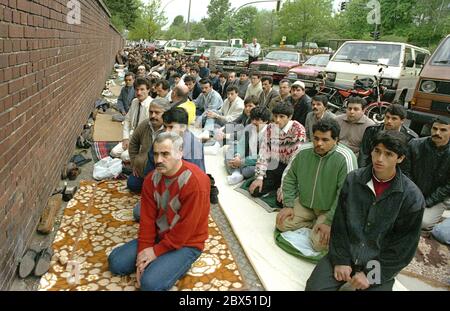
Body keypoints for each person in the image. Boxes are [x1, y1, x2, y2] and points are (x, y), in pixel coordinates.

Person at [306, 131, 425, 291]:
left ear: (400, 158)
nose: (379, 159)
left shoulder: (412, 198)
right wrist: (341, 259)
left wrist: (370, 275)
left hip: (378, 263)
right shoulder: (353, 180)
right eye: (377, 151)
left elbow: (403, 248)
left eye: (388, 154)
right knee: (314, 289)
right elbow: (339, 225)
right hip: (346, 253)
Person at [108, 132, 210, 291]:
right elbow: (147, 220)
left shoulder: (196, 182)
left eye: (165, 154)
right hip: (159, 235)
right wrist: (144, 252)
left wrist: (156, 252)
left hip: (187, 243)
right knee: (116, 262)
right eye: (155, 154)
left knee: (150, 285)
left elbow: (186, 229)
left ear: (180, 153)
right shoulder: (151, 179)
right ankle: (163, 263)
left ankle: (179, 262)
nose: (158, 160)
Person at [276, 119, 357, 252]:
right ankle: (313, 223)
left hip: (329, 210)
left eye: (325, 140)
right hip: (305, 203)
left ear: (336, 140)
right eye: (316, 138)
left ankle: (318, 223)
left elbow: (346, 195)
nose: (319, 143)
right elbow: (289, 177)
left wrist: (329, 222)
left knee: (320, 244)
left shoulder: (345, 157)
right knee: (281, 223)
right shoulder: (303, 151)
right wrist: (289, 205)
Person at [249, 103, 306, 199]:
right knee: (255, 191)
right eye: (275, 116)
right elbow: (263, 153)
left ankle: (280, 186)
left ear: (290, 116)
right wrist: (259, 177)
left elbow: (294, 163)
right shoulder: (270, 128)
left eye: (282, 116)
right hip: (275, 164)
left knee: (282, 201)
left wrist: (284, 186)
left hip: (292, 169)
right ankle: (275, 185)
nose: (277, 120)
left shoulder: (298, 131)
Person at [404, 117, 450, 232]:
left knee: (423, 222)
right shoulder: (415, 145)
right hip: (413, 190)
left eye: (443, 130)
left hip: (438, 196)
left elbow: (448, 186)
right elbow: (405, 172)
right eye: (434, 129)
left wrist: (427, 201)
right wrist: (415, 196)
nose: (437, 133)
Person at [127, 98, 169, 192]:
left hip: (162, 171)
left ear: (166, 114)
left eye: (157, 113)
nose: (153, 116)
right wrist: (134, 163)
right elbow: (133, 143)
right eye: (151, 112)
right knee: (132, 184)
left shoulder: (169, 129)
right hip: (143, 168)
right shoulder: (145, 124)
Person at [225, 107, 271, 184]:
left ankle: (238, 172)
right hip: (246, 155)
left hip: (258, 161)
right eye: (252, 119)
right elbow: (241, 144)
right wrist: (237, 156)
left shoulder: (269, 133)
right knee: (231, 149)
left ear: (266, 121)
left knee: (248, 171)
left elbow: (263, 157)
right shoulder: (249, 127)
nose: (253, 122)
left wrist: (242, 162)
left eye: (257, 120)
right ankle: (236, 173)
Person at [111, 77, 153, 161]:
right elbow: (127, 120)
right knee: (114, 152)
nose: (139, 92)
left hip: (143, 141)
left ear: (148, 90)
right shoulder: (135, 101)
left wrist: (136, 144)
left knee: (124, 156)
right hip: (132, 136)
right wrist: (126, 138)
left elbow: (150, 131)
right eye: (137, 90)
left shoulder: (152, 105)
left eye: (142, 89)